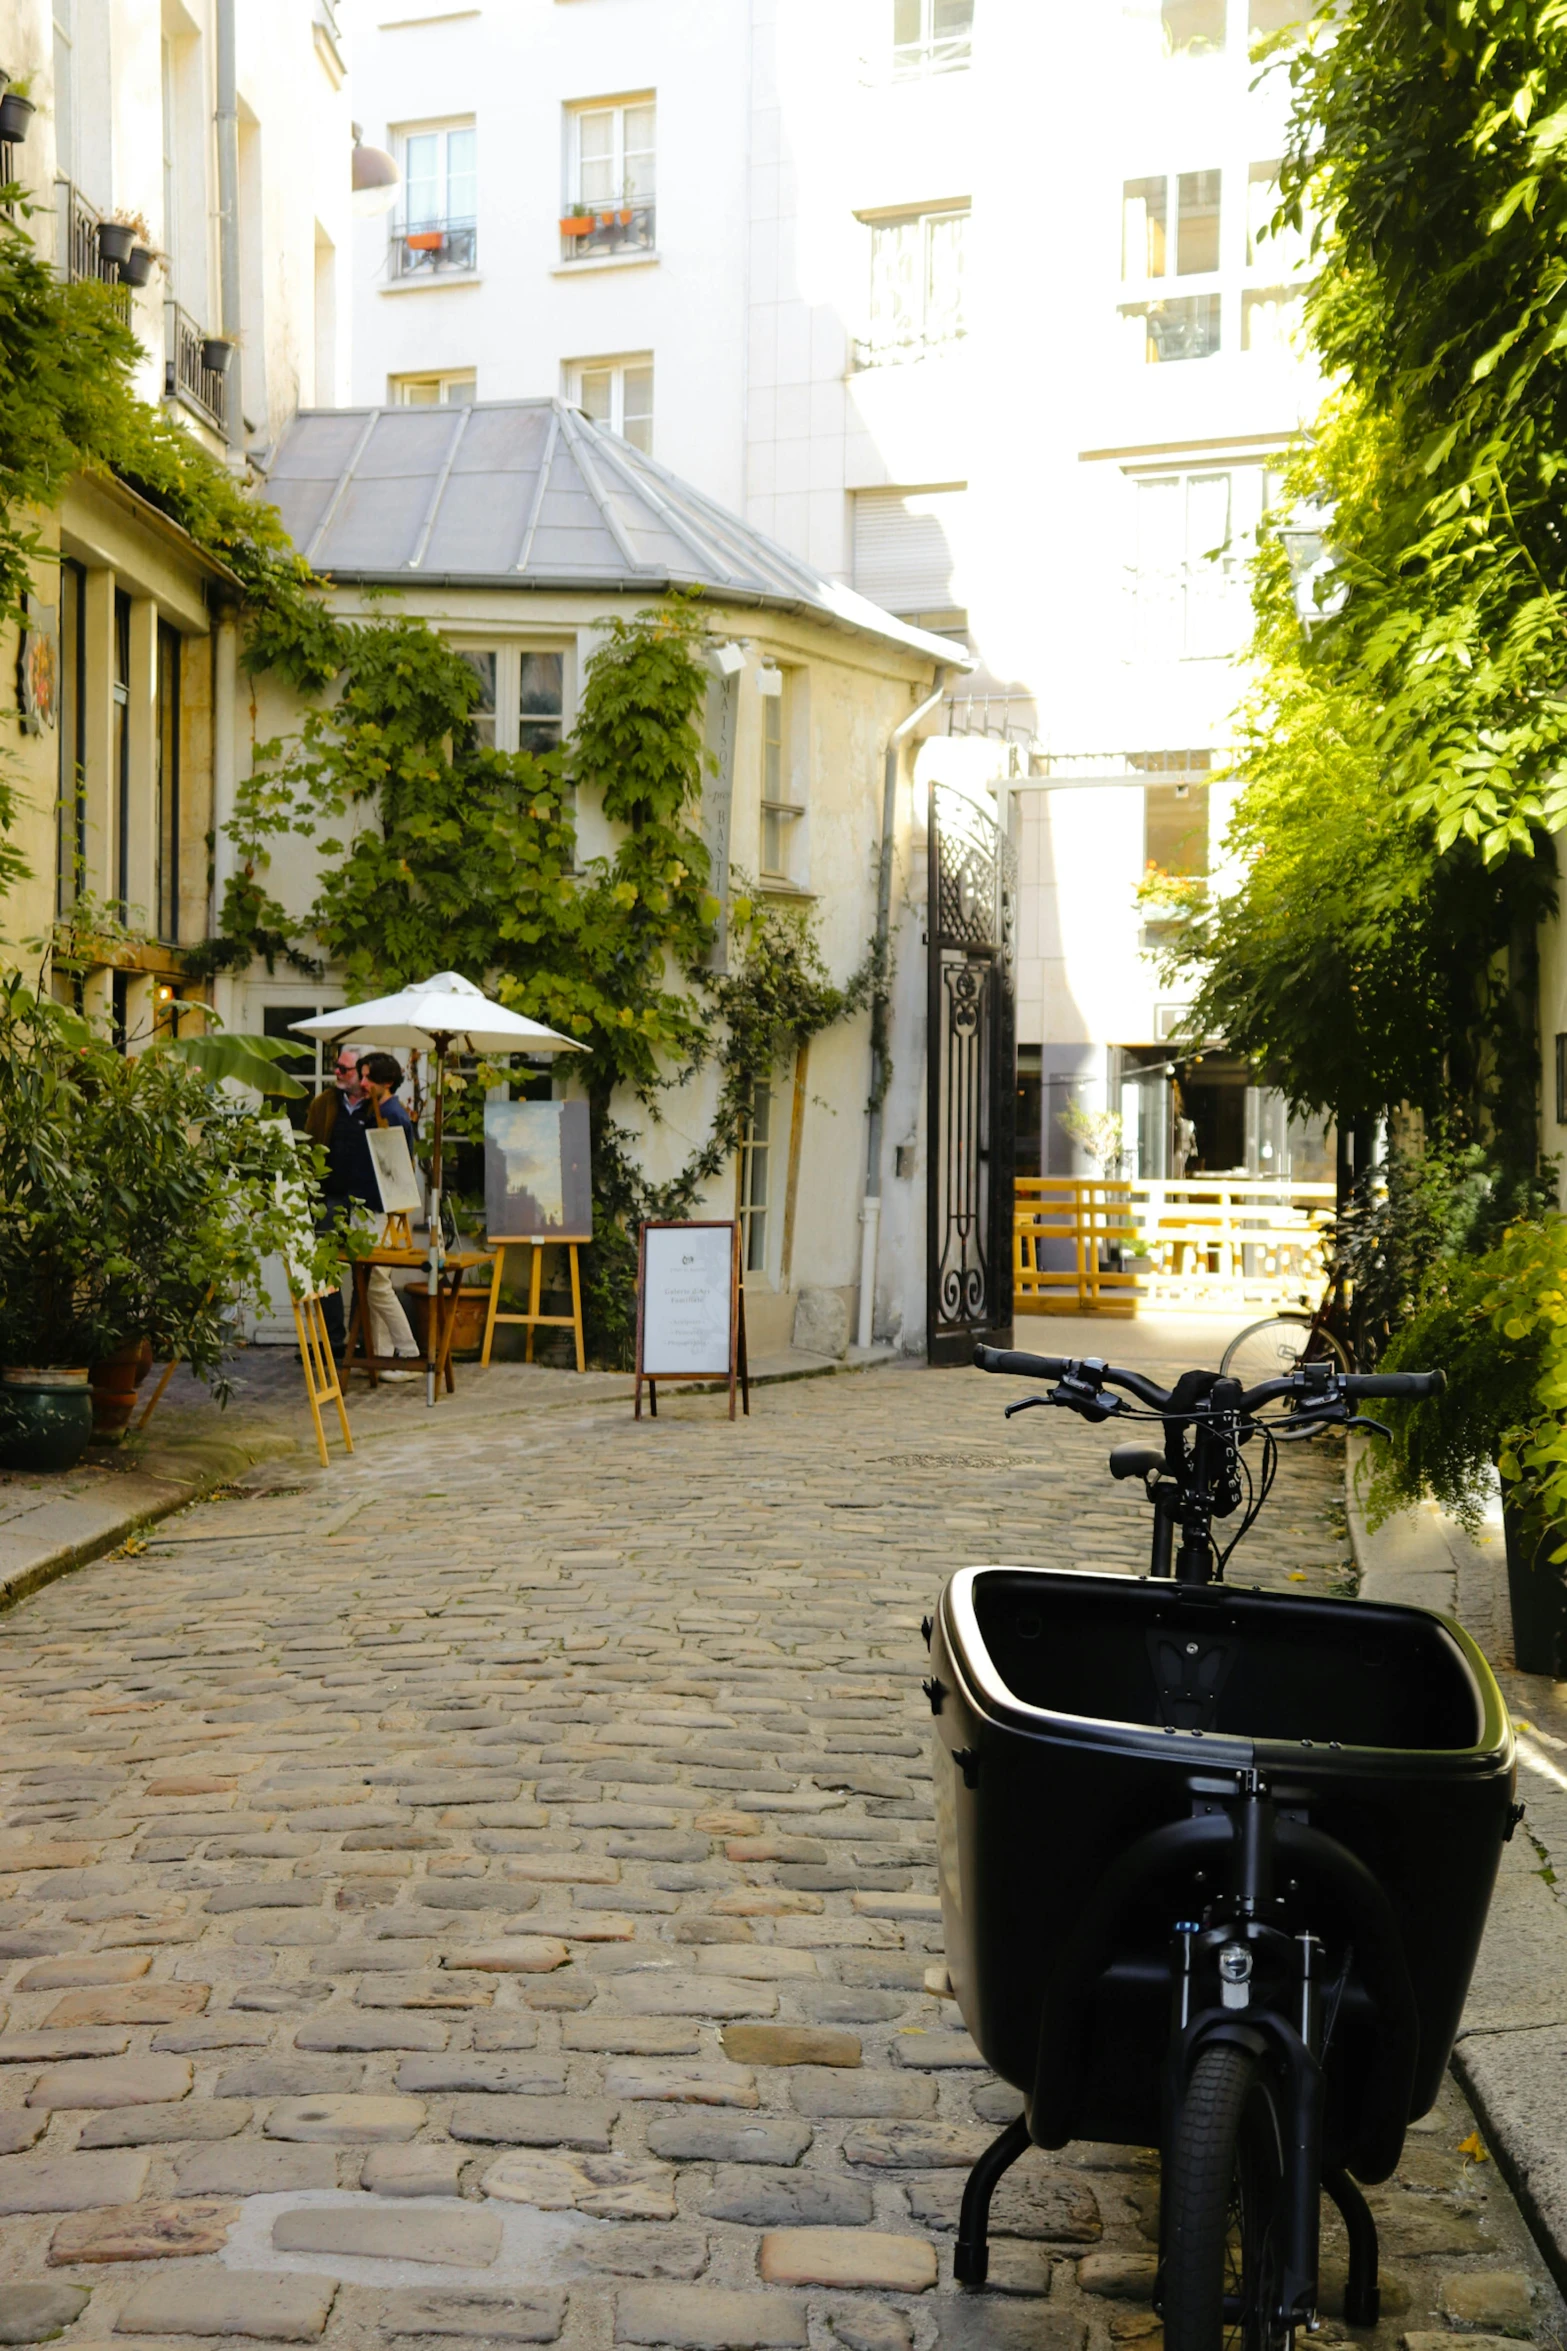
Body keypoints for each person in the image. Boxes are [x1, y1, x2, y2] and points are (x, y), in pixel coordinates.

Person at [346, 1052, 423, 1381]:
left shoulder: (393, 1116)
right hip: (364, 1207)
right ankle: (381, 1357)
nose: (362, 1083)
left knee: (376, 1283)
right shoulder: (372, 1110)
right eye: (361, 1076)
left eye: (368, 1078)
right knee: (368, 1284)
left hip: (380, 1211)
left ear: (387, 1082)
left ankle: (408, 1353)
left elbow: (396, 1173)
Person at [303, 1046, 364, 1358]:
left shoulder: (376, 1108)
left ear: (363, 1073)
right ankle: (332, 1340)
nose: (337, 1073)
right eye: (336, 1066)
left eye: (345, 1069)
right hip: (329, 1197)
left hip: (365, 1203)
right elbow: (310, 1145)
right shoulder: (325, 1103)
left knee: (365, 1271)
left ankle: (359, 1340)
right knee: (326, 1270)